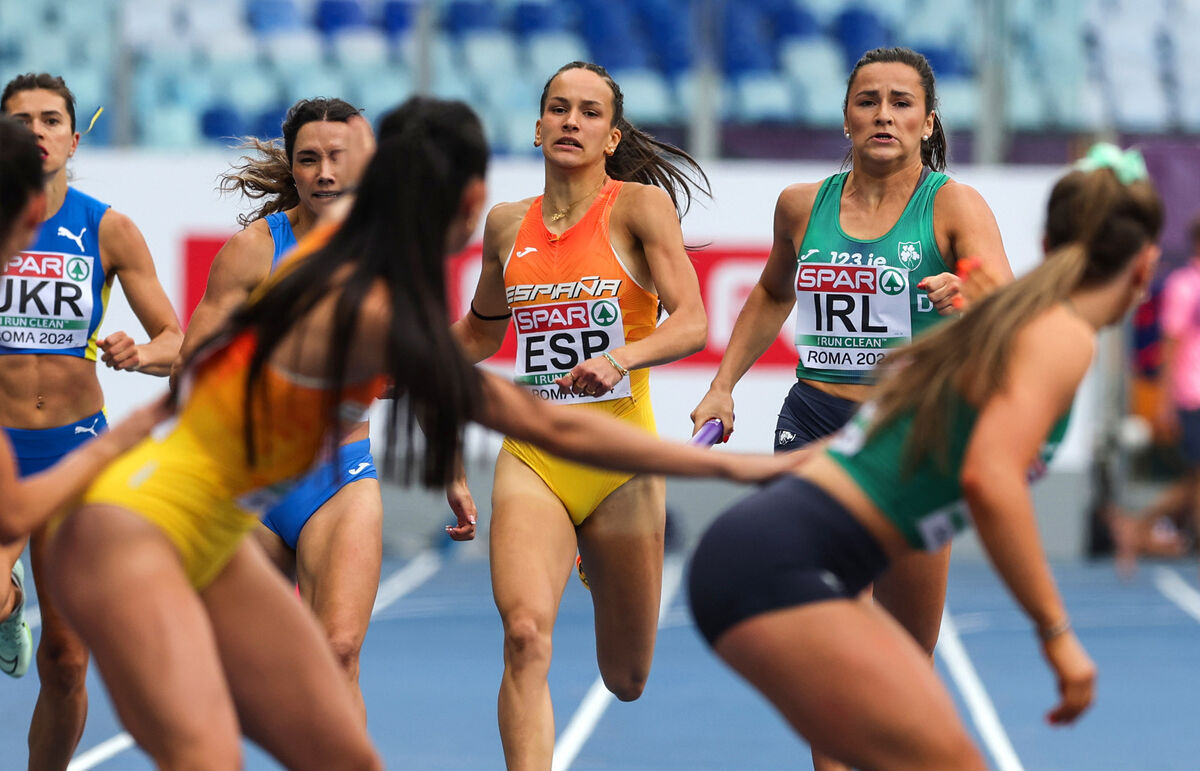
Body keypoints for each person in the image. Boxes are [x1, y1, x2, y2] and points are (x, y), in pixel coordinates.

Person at [44, 97, 788, 769]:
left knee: (341, 732)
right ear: (470, 203)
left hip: (167, 512)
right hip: (144, 535)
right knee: (214, 743)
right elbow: (511, 408)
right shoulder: (335, 282)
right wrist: (732, 472)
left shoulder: (373, 280)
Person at [688, 144, 1163, 770]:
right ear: (1146, 264)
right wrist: (1056, 633)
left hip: (761, 548)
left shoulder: (1011, 321)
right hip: (779, 561)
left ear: (1045, 243)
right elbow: (991, 481)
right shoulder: (1061, 338)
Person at [688, 48, 1011, 768]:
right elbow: (773, 292)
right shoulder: (803, 206)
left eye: (901, 102)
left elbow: (1007, 308)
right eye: (868, 100)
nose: (884, 114)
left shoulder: (953, 205)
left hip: (911, 437)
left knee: (904, 657)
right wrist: (723, 383)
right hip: (813, 428)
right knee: (824, 651)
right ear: (846, 117)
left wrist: (968, 297)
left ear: (928, 122)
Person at [449, 61, 711, 768]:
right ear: (536, 129)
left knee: (626, 678)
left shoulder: (639, 209)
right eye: (558, 109)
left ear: (611, 136)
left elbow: (691, 323)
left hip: (621, 458)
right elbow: (481, 331)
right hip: (534, 455)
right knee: (525, 633)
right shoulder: (508, 226)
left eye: (589, 112)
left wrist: (623, 357)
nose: (571, 121)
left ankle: (597, 560)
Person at [176, 97, 383, 720]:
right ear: (291, 169)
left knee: (339, 652)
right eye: (309, 159)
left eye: (337, 159)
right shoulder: (253, 250)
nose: (324, 173)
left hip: (340, 479)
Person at [0, 72, 183, 770]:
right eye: (21, 122)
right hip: (0, 451)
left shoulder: (106, 227)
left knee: (68, 659)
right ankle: (11, 603)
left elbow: (176, 338)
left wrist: (142, 353)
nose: (37, 133)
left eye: (51, 121)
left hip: (74, 451)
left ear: (74, 139)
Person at [1111, 214, 1200, 574]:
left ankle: (1137, 526)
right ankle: (1142, 525)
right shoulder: (1183, 286)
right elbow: (1169, 344)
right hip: (1190, 392)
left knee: (1195, 478)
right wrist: (1163, 402)